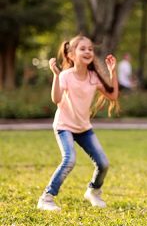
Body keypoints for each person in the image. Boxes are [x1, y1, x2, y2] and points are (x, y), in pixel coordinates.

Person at [37, 35, 119, 211]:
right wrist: (56, 76)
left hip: (84, 128)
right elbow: (56, 99)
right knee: (69, 160)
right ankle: (46, 198)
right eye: (83, 49)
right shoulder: (66, 76)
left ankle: (93, 191)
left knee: (103, 163)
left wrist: (112, 71)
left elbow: (112, 95)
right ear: (71, 55)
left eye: (90, 49)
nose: (88, 51)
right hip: (64, 126)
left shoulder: (93, 77)